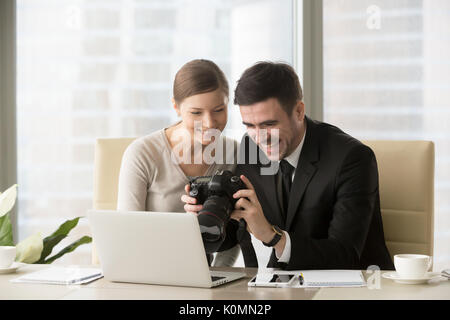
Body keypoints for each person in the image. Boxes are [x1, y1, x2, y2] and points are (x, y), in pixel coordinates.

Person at [184, 61, 394, 270]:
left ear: (299, 111)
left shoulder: (352, 158)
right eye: (250, 126)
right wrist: (209, 217)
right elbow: (238, 232)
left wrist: (272, 236)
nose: (260, 138)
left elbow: (345, 254)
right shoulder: (251, 147)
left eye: (269, 124)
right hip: (274, 288)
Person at [117, 59, 240, 267]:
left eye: (219, 109)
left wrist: (219, 276)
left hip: (208, 280)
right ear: (176, 107)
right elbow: (127, 235)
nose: (210, 123)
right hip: (149, 272)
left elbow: (236, 228)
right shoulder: (142, 154)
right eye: (196, 113)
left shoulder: (235, 154)